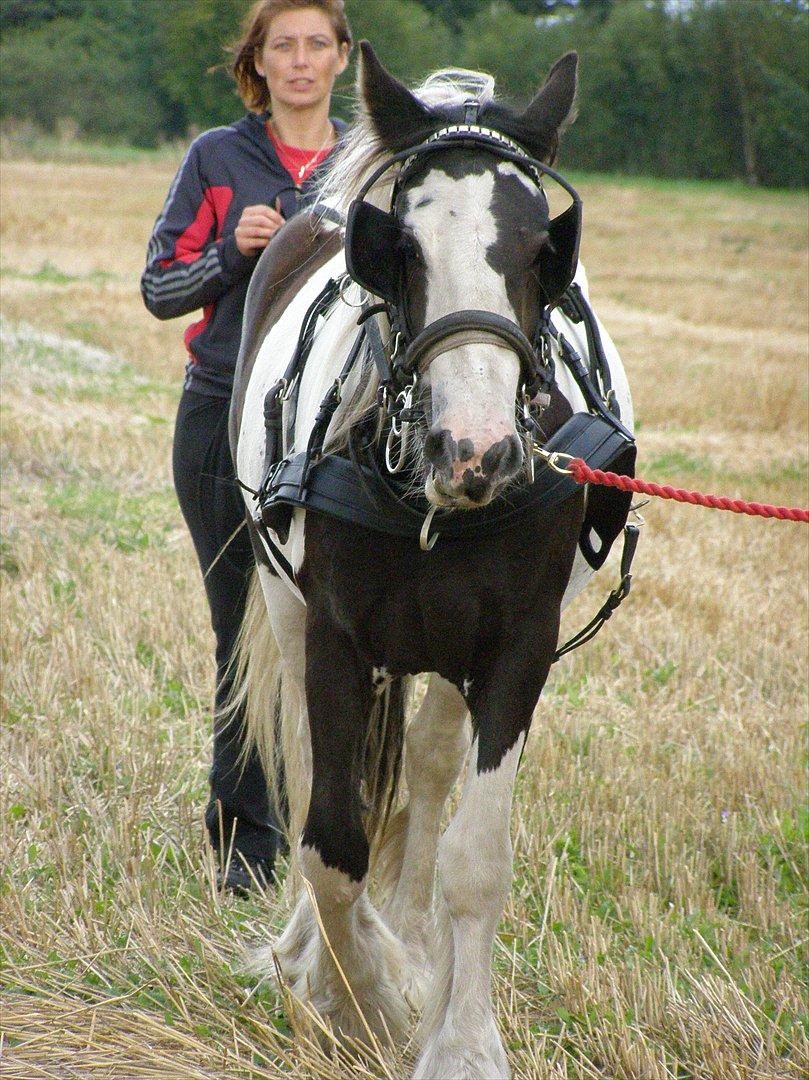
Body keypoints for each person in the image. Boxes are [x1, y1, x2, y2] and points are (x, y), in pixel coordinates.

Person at [141, 0, 351, 895]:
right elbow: (159, 286)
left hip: (343, 430)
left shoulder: (367, 164)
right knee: (246, 635)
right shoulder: (215, 159)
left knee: (349, 639)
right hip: (225, 416)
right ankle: (246, 854)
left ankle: (346, 838)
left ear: (343, 58)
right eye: (282, 47)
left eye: (316, 45)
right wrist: (231, 252)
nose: (299, 62)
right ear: (256, 63)